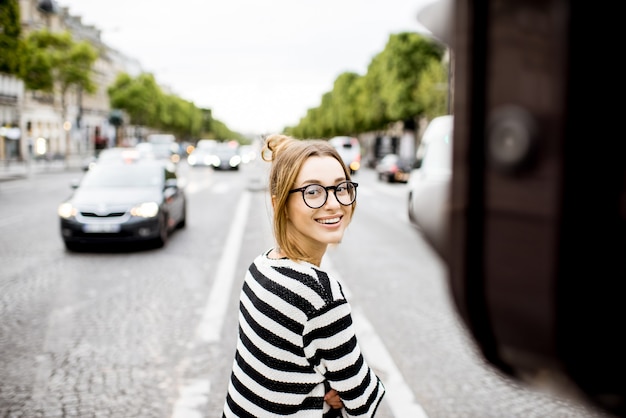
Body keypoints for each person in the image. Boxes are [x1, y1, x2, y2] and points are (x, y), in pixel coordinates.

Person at [222, 134, 386, 417]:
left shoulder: (259, 267)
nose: (334, 203)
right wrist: (330, 389)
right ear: (279, 204)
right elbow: (362, 398)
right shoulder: (318, 293)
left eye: (341, 187)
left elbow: (278, 372)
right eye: (312, 192)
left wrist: (323, 387)